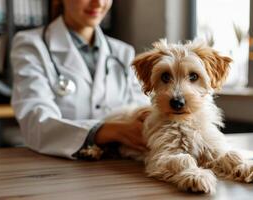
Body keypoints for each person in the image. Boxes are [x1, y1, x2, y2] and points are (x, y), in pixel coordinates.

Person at [10, 0, 149, 159]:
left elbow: (142, 108)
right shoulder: (31, 45)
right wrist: (109, 131)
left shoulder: (123, 53)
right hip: (57, 168)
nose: (98, 3)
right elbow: (36, 124)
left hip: (118, 166)